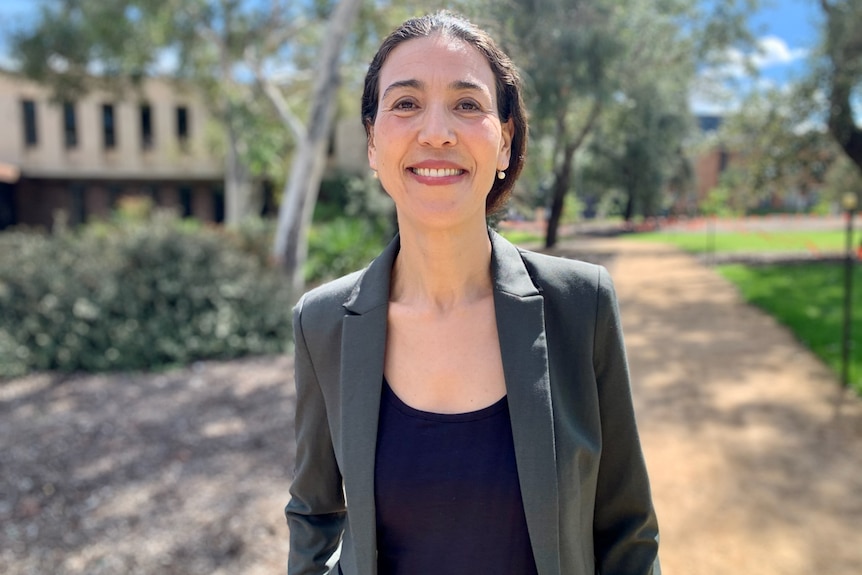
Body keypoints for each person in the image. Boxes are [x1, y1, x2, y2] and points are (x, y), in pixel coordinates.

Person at [286, 11, 660, 575]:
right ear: (371, 142)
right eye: (406, 104)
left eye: (467, 105)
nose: (436, 132)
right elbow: (314, 515)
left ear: (504, 142)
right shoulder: (323, 323)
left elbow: (627, 533)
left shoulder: (581, 306)